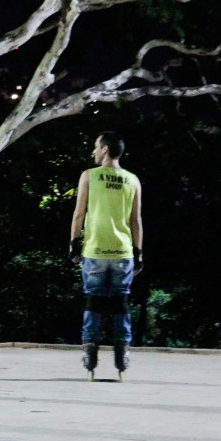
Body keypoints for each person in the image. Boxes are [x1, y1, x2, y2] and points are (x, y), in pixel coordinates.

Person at [69, 132, 143, 381]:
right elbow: (136, 220)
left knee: (94, 301)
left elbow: (79, 213)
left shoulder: (89, 176)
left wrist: (73, 243)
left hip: (95, 251)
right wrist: (139, 252)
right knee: (121, 303)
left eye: (95, 147)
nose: (93, 151)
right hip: (122, 252)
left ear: (105, 149)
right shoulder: (132, 180)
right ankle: (122, 355)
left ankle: (90, 353)